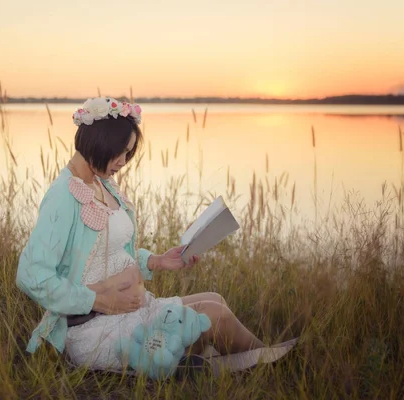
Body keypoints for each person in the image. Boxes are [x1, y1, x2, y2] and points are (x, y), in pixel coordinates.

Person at [16, 97, 265, 371]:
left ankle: (239, 364)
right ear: (98, 141)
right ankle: (267, 366)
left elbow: (104, 252)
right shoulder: (64, 194)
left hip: (131, 311)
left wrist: (157, 261)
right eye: (120, 152)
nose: (124, 162)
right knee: (214, 315)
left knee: (215, 300)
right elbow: (32, 275)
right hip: (97, 330)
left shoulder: (102, 184)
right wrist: (100, 301)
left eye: (129, 154)